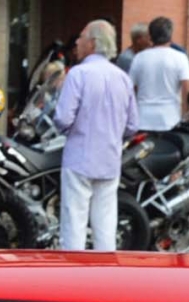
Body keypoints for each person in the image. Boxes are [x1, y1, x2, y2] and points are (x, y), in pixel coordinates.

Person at [52, 19, 131, 251]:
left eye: (81, 36)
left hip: (79, 158)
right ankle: (105, 277)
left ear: (93, 43)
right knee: (106, 224)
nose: (77, 41)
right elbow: (133, 124)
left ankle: (74, 276)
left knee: (74, 223)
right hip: (109, 159)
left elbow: (63, 118)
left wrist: (69, 130)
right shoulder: (123, 78)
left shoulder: (78, 74)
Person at [128, 15, 189, 131]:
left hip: (143, 119)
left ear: (150, 36)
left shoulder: (138, 58)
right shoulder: (180, 58)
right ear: (170, 35)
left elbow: (131, 90)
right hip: (170, 120)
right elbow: (188, 92)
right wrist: (187, 116)